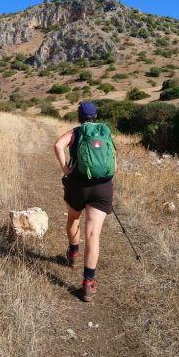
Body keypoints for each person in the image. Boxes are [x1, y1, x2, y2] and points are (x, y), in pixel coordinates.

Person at [53, 101, 116, 302]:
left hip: (78, 185)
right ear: (96, 116)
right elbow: (112, 159)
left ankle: (73, 255)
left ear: (79, 116)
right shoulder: (104, 132)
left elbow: (57, 145)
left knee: (73, 218)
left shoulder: (76, 132)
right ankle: (88, 284)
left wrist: (66, 170)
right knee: (93, 234)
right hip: (103, 186)